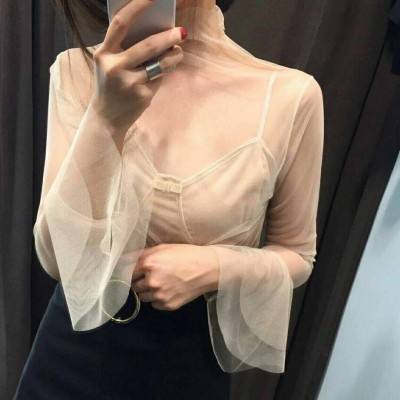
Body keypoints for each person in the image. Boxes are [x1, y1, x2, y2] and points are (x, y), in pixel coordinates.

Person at [14, 0, 324, 398]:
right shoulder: (77, 71)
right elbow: (56, 260)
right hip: (68, 358)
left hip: (185, 365)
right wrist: (105, 118)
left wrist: (212, 266)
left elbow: (297, 254)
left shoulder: (288, 96)